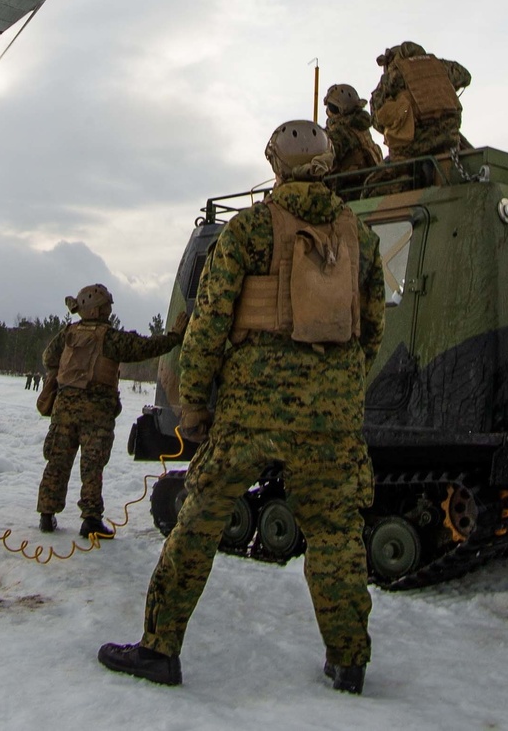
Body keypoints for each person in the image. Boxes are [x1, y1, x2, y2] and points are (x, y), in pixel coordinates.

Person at [98, 120, 386, 693]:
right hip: (330, 423)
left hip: (249, 413)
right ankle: (348, 661)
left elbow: (207, 327)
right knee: (335, 537)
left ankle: (160, 649)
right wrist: (337, 388)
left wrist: (194, 406)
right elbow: (372, 329)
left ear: (274, 163)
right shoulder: (362, 238)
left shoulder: (250, 229)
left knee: (197, 523)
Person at [36, 284, 187, 538]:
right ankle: (91, 520)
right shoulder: (110, 338)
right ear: (99, 309)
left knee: (58, 460)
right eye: (106, 306)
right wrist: (174, 337)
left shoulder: (68, 334)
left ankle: (47, 514)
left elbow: (48, 358)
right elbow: (144, 347)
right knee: (92, 465)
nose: (109, 310)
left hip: (64, 408)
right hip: (96, 411)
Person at [369, 41, 471, 164]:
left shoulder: (393, 76)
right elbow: (465, 76)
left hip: (414, 146)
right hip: (449, 138)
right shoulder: (440, 65)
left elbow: (376, 119)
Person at [323, 82, 382, 174]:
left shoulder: (345, 131)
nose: (328, 112)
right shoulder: (357, 123)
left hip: (355, 181)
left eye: (331, 107)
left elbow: (328, 148)